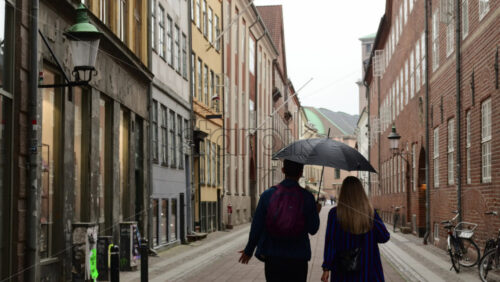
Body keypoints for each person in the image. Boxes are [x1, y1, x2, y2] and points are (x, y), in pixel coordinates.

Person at [238, 159, 321, 282]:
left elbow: (257, 226)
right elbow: (313, 229)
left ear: (283, 170)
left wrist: (249, 250)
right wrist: (316, 211)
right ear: (301, 173)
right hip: (298, 257)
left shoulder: (268, 195)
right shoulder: (307, 197)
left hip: (273, 255)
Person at [321, 176, 390, 282]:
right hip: (368, 271)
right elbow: (384, 237)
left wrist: (327, 267)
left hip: (343, 272)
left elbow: (330, 243)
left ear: (343, 192)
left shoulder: (335, 214)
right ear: (361, 192)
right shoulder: (370, 213)